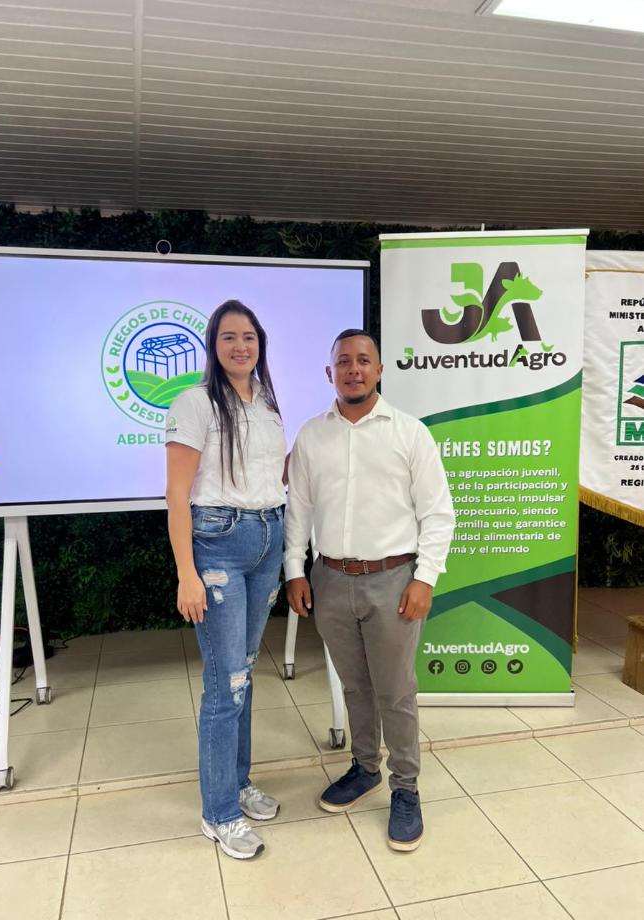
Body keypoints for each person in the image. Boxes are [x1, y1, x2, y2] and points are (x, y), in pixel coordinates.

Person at [284, 329, 455, 851]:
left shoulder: (410, 433)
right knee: (354, 685)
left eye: (363, 360)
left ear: (379, 370)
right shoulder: (312, 436)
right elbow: (299, 509)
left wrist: (425, 578)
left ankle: (406, 787)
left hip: (394, 580)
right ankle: (364, 768)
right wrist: (295, 569)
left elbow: (438, 513)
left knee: (395, 690)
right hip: (331, 580)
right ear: (329, 373)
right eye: (343, 361)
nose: (353, 369)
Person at [165, 299, 286, 860]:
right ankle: (218, 813)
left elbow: (271, 475)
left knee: (245, 673)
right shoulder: (194, 403)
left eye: (249, 337)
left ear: (260, 344)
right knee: (225, 683)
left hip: (267, 538)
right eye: (229, 337)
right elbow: (176, 494)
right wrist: (186, 574)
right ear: (213, 346)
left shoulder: (266, 401)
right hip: (218, 546)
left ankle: (237, 783)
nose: (241, 346)